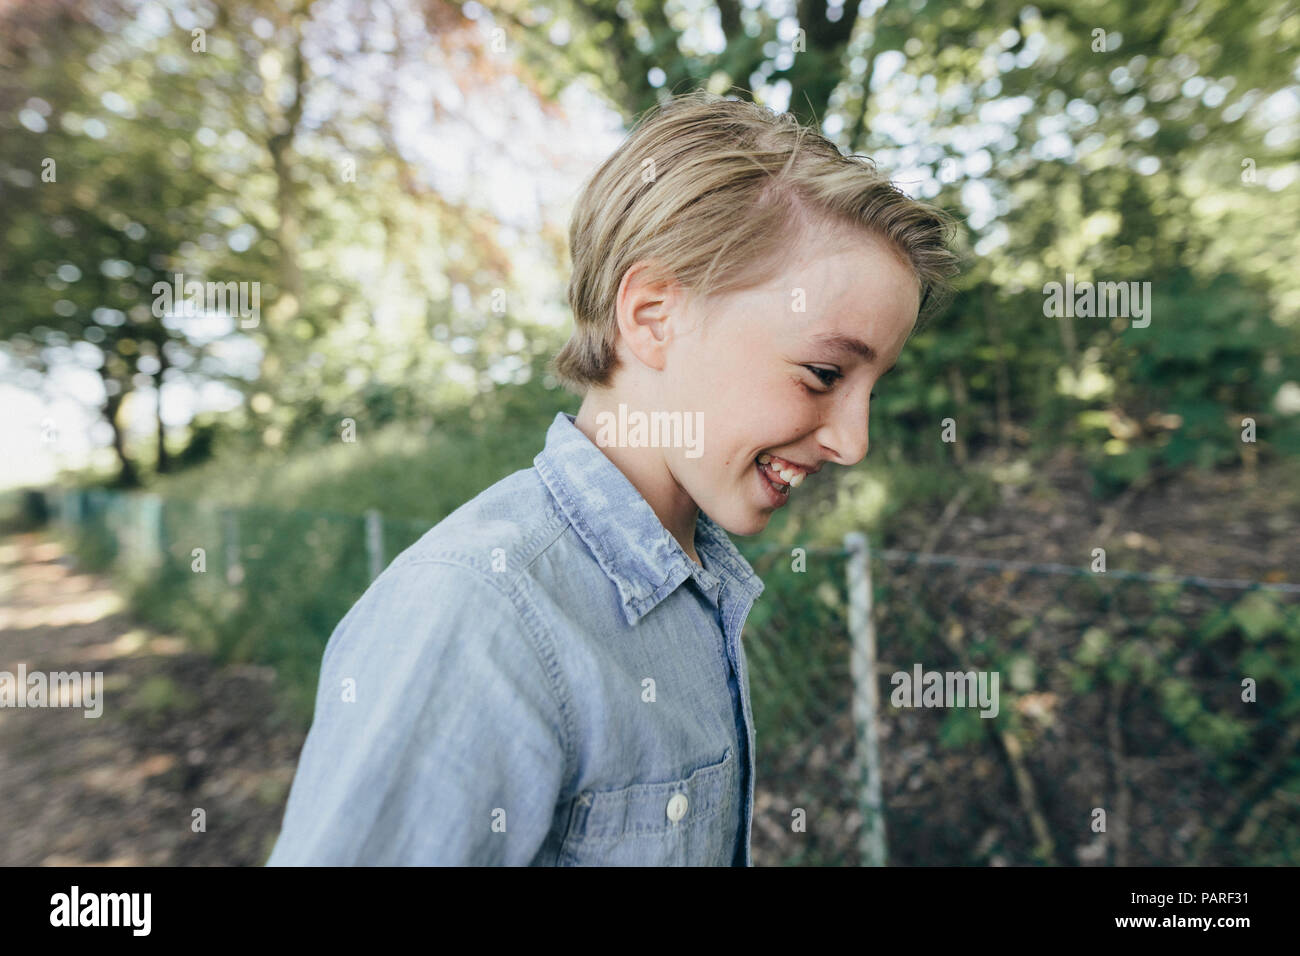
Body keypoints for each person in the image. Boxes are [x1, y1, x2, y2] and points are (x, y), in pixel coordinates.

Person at [265, 89, 960, 866]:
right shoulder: (475, 616)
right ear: (655, 315)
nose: (854, 442)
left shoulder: (696, 586)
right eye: (825, 372)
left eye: (873, 387)